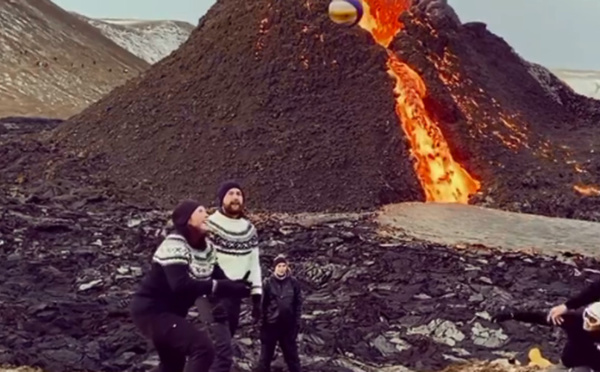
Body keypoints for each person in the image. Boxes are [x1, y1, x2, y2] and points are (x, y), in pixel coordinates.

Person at [130, 200, 252, 372]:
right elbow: (180, 285)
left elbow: (220, 278)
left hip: (173, 315)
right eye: (201, 211)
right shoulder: (174, 244)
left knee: (173, 365)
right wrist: (220, 286)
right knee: (202, 348)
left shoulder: (207, 249)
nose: (207, 215)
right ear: (187, 220)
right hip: (151, 311)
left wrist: (241, 286)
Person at [207, 181, 263, 336]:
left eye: (238, 194)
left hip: (236, 293)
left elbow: (253, 264)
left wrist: (256, 296)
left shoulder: (248, 229)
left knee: (229, 335)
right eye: (230, 194)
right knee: (217, 341)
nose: (235, 198)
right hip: (213, 293)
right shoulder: (210, 224)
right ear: (221, 198)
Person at [492, 302, 600, 371]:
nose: (587, 321)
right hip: (568, 363)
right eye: (586, 315)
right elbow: (541, 317)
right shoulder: (575, 320)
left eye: (592, 319)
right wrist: (512, 315)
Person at [256, 254, 302, 372]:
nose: (281, 268)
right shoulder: (267, 283)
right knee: (265, 359)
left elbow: (298, 304)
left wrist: (296, 324)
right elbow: (261, 305)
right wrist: (261, 326)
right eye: (279, 266)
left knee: (293, 358)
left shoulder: (293, 283)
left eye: (284, 265)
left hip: (288, 326)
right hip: (271, 326)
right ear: (274, 268)